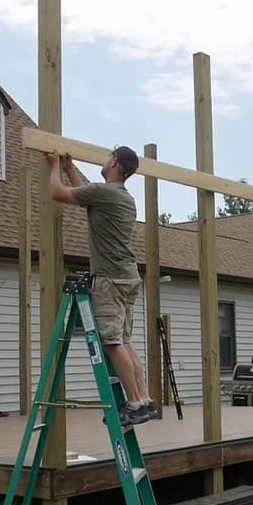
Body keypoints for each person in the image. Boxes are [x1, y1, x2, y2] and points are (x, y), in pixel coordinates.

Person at [45, 146, 156, 425]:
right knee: (125, 342)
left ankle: (132, 403)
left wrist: (54, 166)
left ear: (115, 162)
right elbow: (85, 198)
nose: (105, 161)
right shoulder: (121, 197)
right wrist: (70, 168)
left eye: (109, 157)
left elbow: (58, 193)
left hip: (109, 278)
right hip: (127, 276)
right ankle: (144, 400)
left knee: (112, 342)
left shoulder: (105, 192)